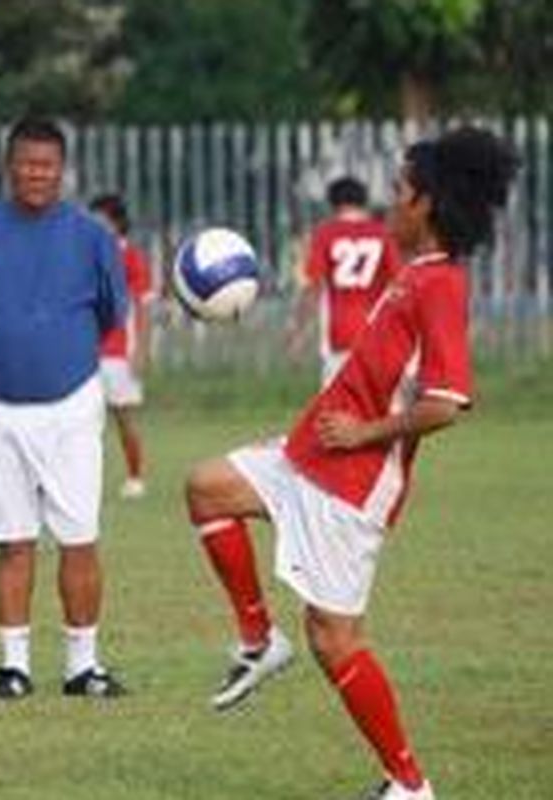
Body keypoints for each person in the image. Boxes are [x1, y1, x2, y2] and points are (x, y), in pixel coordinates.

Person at [184, 127, 517, 800]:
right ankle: (257, 639)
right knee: (206, 487)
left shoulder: (441, 284)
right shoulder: (414, 273)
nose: (389, 203)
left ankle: (409, 785)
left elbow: (447, 402)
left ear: (425, 204)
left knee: (335, 640)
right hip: (309, 453)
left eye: (398, 190)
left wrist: (366, 430)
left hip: (352, 482)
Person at [0, 117, 129, 699]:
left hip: (72, 405)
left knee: (79, 537)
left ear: (63, 170)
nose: (35, 174)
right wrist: (0, 354)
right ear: (8, 166)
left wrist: (55, 352)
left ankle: (82, 666)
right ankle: (14, 665)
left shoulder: (92, 236)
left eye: (46, 165)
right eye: (26, 163)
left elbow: (108, 313)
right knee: (13, 540)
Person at [285, 176, 401, 386]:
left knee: (337, 409)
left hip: (340, 334)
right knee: (380, 408)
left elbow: (313, 287)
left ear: (333, 204)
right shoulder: (383, 234)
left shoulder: (326, 234)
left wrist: (298, 331)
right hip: (377, 333)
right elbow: (399, 286)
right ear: (364, 202)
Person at [89, 194, 154, 500]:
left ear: (116, 223)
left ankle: (135, 476)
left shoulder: (131, 257)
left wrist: (141, 348)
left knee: (124, 418)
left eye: (101, 221)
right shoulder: (85, 255)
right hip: (86, 352)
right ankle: (82, 481)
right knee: (82, 421)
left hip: (119, 354)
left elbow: (143, 306)